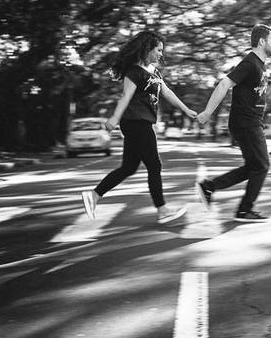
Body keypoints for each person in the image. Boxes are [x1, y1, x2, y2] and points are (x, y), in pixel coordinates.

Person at [80, 31, 198, 224]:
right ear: (147, 49)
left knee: (128, 167)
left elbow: (167, 93)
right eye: (158, 50)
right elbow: (125, 97)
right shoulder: (134, 72)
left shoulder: (154, 71)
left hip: (141, 122)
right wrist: (114, 118)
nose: (161, 54)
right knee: (154, 165)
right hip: (136, 122)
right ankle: (162, 210)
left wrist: (186, 110)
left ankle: (93, 196)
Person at [195, 23, 271, 222]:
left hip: (250, 121)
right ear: (261, 41)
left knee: (254, 166)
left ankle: (209, 187)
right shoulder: (250, 62)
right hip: (246, 122)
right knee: (262, 165)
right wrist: (207, 112)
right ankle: (244, 210)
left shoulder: (260, 65)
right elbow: (225, 83)